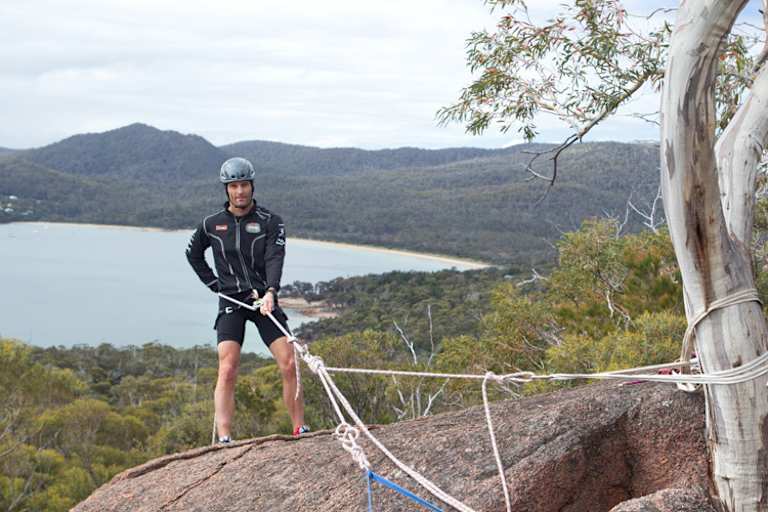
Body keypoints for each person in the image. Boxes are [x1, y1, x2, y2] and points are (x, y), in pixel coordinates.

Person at [186, 157, 309, 442]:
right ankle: (224, 438)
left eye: (244, 185)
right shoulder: (211, 224)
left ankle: (299, 428)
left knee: (289, 363)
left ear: (252, 186)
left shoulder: (271, 222)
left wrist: (271, 292)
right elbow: (193, 255)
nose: (239, 191)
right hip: (232, 302)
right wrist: (214, 285)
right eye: (233, 186)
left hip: (263, 300)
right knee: (227, 367)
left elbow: (275, 258)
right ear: (226, 189)